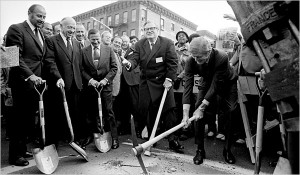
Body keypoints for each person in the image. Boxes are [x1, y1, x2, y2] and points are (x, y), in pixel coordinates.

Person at [122, 20, 183, 152]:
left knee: (169, 112)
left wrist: (169, 79)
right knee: (149, 111)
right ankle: (152, 138)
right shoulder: (139, 44)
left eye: (152, 28)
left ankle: (172, 140)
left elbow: (173, 63)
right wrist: (128, 64)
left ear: (157, 30)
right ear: (143, 32)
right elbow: (134, 60)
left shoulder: (167, 43)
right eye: (146, 29)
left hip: (164, 82)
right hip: (147, 83)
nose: (149, 31)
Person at [182, 36, 238, 165]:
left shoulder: (222, 56)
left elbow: (216, 85)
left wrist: (202, 108)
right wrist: (186, 114)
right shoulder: (191, 60)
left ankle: (227, 149)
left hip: (227, 83)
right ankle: (200, 149)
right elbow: (188, 87)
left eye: (199, 57)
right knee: (197, 112)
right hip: (207, 81)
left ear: (208, 52)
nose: (196, 60)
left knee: (230, 110)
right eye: (194, 57)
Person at [5, 4, 46, 166]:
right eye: (39, 16)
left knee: (29, 120)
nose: (42, 19)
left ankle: (22, 150)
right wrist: (31, 75)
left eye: (44, 16)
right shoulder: (15, 29)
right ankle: (15, 156)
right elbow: (13, 58)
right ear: (29, 14)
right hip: (22, 83)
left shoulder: (40, 33)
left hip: (36, 85)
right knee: (19, 121)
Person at [44, 17, 84, 146]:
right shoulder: (51, 41)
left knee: (74, 112)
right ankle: (54, 141)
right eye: (69, 27)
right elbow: (50, 61)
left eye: (73, 27)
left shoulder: (77, 43)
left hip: (75, 84)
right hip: (60, 84)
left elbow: (79, 64)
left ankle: (72, 137)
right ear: (61, 27)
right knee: (57, 113)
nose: (72, 30)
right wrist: (58, 77)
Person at [81, 29, 119, 149]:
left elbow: (114, 67)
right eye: (93, 39)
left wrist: (105, 80)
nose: (96, 41)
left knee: (108, 112)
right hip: (92, 87)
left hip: (106, 87)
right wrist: (91, 80)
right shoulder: (84, 51)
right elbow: (81, 69)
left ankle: (114, 138)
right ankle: (91, 136)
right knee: (92, 113)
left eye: (98, 39)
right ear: (89, 39)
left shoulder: (108, 49)